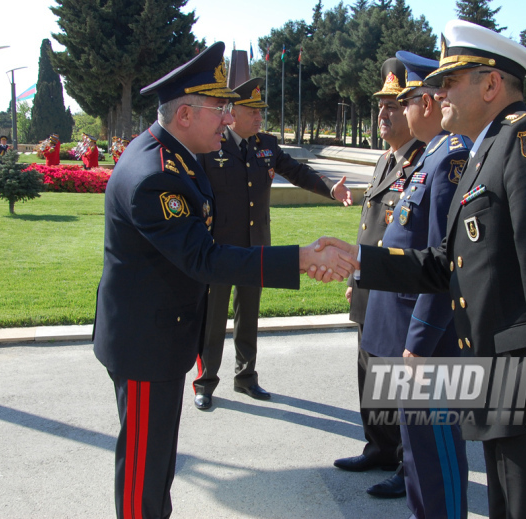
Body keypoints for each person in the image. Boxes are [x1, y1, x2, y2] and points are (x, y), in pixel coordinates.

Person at [320, 20, 526, 519]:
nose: (436, 92)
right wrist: (362, 259)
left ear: (491, 85)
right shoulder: (484, 152)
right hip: (505, 387)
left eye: (449, 81)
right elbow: (448, 265)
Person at [92, 41, 357, 519]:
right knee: (143, 473)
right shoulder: (156, 174)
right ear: (186, 114)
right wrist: (297, 258)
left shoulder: (174, 153)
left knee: (155, 464)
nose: (228, 119)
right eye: (220, 108)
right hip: (148, 343)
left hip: (160, 334)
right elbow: (203, 258)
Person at [192, 74, 352, 409]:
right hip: (219, 250)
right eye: (254, 111)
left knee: (248, 314)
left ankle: (246, 377)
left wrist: (330, 189)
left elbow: (297, 171)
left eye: (261, 112)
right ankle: (205, 383)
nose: (260, 118)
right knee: (213, 317)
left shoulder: (266, 144)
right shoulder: (210, 144)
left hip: (257, 246)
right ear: (233, 112)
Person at [365, 50, 469, 518]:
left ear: (425, 103)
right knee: (419, 456)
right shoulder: (429, 156)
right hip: (407, 332)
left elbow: (446, 263)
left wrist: (421, 340)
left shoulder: (450, 159)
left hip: (426, 342)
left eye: (406, 100)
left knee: (436, 455)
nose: (401, 110)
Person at [334, 57, 425, 499]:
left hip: (399, 290)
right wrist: (356, 271)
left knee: (399, 381)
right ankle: (380, 447)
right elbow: (371, 220)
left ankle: (409, 466)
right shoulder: (386, 160)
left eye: (393, 106)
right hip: (370, 284)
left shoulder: (423, 162)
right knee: (369, 372)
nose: (384, 115)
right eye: (380, 107)